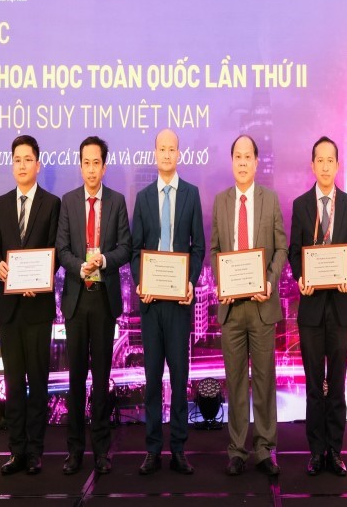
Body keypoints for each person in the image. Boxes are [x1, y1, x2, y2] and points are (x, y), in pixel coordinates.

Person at [210, 135, 288, 477]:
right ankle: (237, 450)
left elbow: (282, 248)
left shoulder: (270, 199)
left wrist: (269, 281)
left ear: (256, 162)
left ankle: (265, 449)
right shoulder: (220, 201)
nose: (242, 162)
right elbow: (215, 250)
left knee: (265, 380)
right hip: (232, 308)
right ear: (232, 162)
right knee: (236, 380)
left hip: (261, 305)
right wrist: (221, 282)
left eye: (247, 157)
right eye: (237, 157)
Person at [130, 128, 205, 476]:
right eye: (161, 149)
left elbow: (198, 247)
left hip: (178, 303)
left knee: (178, 379)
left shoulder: (191, 194)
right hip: (151, 302)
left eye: (171, 149)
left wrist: (190, 283)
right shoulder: (143, 197)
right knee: (152, 379)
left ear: (178, 154)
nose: (166, 154)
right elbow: (135, 250)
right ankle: (152, 449)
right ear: (155, 153)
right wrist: (140, 282)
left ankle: (178, 448)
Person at [288, 136, 347, 477]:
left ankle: (335, 450)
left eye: (330, 160)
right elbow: (295, 252)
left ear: (337, 164)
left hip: (340, 309)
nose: (325, 166)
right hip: (311, 310)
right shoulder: (301, 205)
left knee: (338, 385)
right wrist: (300, 277)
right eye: (319, 160)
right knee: (314, 385)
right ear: (313, 165)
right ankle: (316, 452)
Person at [56, 136, 131, 476]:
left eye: (96, 163)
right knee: (75, 380)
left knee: (101, 380)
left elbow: (126, 247)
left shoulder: (117, 202)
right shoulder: (68, 201)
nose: (90, 169)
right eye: (85, 163)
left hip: (103, 299)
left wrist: (103, 259)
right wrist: (79, 266)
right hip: (76, 299)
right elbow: (61, 249)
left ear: (104, 166)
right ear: (80, 165)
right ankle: (74, 451)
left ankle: (101, 450)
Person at [0, 135, 61, 476]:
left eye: (28, 159)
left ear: (38, 164)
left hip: (37, 308)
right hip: (9, 309)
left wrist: (43, 276)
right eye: (17, 159)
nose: (22, 165)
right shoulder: (2, 203)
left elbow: (56, 251)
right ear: (12, 164)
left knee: (38, 381)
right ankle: (16, 450)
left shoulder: (52, 204)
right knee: (14, 384)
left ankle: (35, 452)